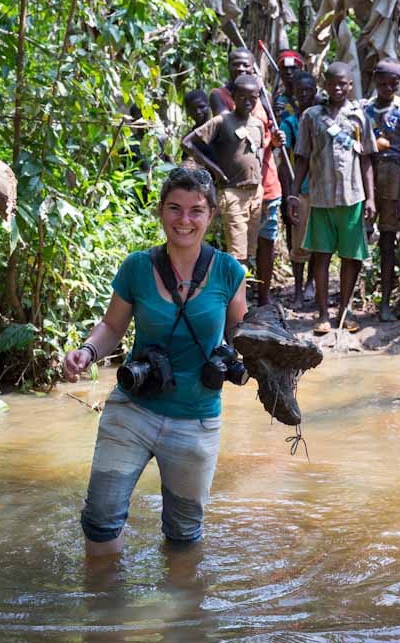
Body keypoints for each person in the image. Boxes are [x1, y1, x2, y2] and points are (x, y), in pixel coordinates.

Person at [62, 167, 248, 555]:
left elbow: (241, 335)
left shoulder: (229, 272)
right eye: (174, 208)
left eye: (196, 210)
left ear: (211, 215)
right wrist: (87, 351)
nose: (184, 220)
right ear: (161, 211)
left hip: (196, 418)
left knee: (183, 535)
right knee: (100, 521)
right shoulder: (137, 267)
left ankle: (178, 596)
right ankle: (103, 594)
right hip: (133, 409)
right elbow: (112, 326)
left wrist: (262, 361)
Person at [288, 62, 377, 335]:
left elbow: (366, 159)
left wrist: (370, 198)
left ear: (350, 85)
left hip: (352, 197)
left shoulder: (360, 117)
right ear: (324, 85)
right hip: (320, 198)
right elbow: (302, 157)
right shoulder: (311, 116)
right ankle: (323, 314)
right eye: (332, 83)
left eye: (343, 83)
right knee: (322, 255)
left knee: (351, 256)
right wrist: (293, 194)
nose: (337, 88)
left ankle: (345, 312)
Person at [210, 49, 285, 303]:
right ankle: (232, 303)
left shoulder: (262, 97)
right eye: (236, 65)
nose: (241, 69)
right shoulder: (220, 96)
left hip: (266, 182)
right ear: (228, 66)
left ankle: (263, 300)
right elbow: (229, 127)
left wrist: (275, 140)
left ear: (254, 68)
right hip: (236, 185)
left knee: (265, 241)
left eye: (246, 66)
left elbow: (264, 138)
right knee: (234, 249)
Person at [183, 75, 268, 267]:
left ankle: (242, 284)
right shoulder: (222, 121)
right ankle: (236, 286)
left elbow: (259, 150)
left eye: (253, 98)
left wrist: (258, 178)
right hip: (233, 192)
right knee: (237, 253)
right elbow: (187, 143)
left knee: (249, 250)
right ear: (233, 96)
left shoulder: (257, 124)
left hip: (255, 192)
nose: (248, 102)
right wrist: (216, 170)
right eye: (243, 97)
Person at [363, 59, 400, 322]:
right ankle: (351, 300)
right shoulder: (363, 109)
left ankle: (385, 303)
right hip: (366, 174)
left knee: (388, 241)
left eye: (394, 83)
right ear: (374, 80)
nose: (388, 87)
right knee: (360, 236)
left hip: (394, 175)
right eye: (383, 82)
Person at [281, 71, 319, 308]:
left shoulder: (322, 118)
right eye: (299, 91)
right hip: (302, 189)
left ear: (315, 92)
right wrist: (290, 195)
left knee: (318, 241)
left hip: (322, 189)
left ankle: (311, 284)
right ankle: (297, 290)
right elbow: (285, 163)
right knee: (299, 243)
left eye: (308, 90)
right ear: (293, 94)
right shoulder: (289, 123)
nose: (304, 95)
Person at [181, 89, 216, 169]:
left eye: (201, 107)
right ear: (188, 112)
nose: (198, 112)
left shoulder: (220, 128)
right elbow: (187, 162)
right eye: (193, 109)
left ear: (209, 105)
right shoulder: (189, 138)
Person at [273, 50, 304, 123]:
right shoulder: (278, 99)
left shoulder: (311, 96)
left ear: (301, 70)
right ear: (280, 72)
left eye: (293, 68)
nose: (289, 72)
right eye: (284, 68)